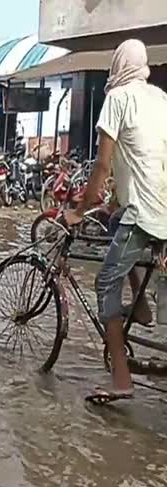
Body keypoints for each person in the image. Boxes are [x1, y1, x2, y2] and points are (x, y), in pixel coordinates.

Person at [64, 39, 167, 404]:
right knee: (114, 221)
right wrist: (110, 203)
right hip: (158, 209)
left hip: (144, 214)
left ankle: (122, 379)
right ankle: (140, 306)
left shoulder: (117, 99)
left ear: (118, 65)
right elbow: (146, 158)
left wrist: (81, 208)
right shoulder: (160, 99)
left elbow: (103, 165)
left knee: (105, 285)